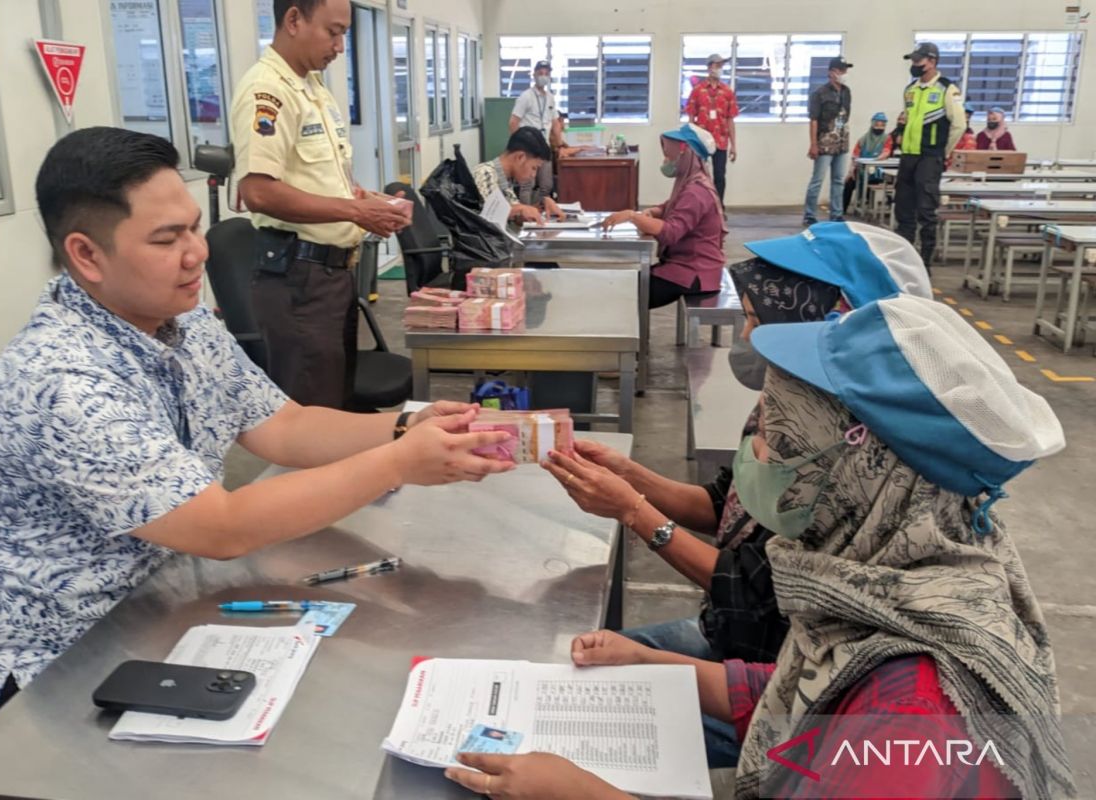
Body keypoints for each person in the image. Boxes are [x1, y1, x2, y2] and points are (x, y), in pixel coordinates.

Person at [0, 126, 515, 734]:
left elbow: (285, 428)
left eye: (192, 227)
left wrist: (403, 427)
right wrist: (399, 464)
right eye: (167, 238)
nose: (198, 253)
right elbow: (221, 527)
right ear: (86, 255)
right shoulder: (61, 382)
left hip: (156, 609)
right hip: (49, 673)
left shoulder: (181, 321)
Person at [448, 294, 1074, 799]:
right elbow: (801, 690)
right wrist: (647, 664)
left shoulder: (914, 702)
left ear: (856, 469)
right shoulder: (880, 578)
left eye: (778, 438)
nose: (756, 453)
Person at [540, 221, 931, 768]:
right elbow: (726, 501)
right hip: (733, 640)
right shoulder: (787, 402)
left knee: (584, 725)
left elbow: (754, 592)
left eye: (756, 320)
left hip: (782, 680)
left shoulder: (855, 458)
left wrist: (634, 511)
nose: (747, 336)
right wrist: (633, 476)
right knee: (576, 675)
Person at [230, 0, 410, 409]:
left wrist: (373, 203)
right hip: (298, 279)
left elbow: (330, 182)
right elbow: (259, 191)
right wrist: (355, 212)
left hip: (332, 277)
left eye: (344, 33)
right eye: (333, 31)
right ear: (293, 20)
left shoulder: (313, 89)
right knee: (316, 409)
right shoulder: (268, 91)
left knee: (337, 403)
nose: (340, 45)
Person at [600, 124, 725, 309]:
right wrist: (654, 212)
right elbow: (670, 206)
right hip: (688, 266)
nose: (666, 160)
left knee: (626, 293)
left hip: (693, 272)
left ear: (685, 153)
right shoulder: (693, 182)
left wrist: (633, 216)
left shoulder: (696, 191)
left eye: (669, 155)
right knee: (628, 285)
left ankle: (635, 338)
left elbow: (671, 232)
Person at [894, 41, 966, 267]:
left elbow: (959, 125)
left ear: (932, 61)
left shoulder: (946, 89)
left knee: (926, 211)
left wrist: (942, 152)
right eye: (913, 61)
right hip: (908, 157)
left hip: (930, 157)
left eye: (919, 61)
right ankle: (904, 261)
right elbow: (906, 119)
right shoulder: (911, 90)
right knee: (903, 209)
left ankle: (925, 262)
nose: (914, 65)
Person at [471, 128, 563, 225]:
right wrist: (521, 209)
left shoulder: (507, 180)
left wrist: (541, 205)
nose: (533, 175)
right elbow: (490, 217)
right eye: (534, 168)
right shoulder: (485, 172)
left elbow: (514, 217)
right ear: (520, 157)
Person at [802, 57, 854, 226]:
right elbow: (814, 120)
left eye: (845, 70)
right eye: (841, 70)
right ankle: (810, 214)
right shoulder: (820, 94)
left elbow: (846, 116)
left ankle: (836, 213)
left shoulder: (846, 92)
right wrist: (813, 144)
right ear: (831, 72)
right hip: (825, 141)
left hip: (841, 141)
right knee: (818, 179)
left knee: (838, 180)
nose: (844, 74)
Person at [685, 53, 738, 204]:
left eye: (722, 66)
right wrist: (690, 141)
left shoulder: (727, 91)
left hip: (720, 140)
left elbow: (730, 119)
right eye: (717, 65)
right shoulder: (698, 90)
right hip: (701, 141)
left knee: (720, 175)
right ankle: (699, 207)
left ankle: (718, 208)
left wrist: (734, 146)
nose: (720, 69)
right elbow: (691, 118)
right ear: (709, 67)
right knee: (699, 176)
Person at [509, 60, 562, 205]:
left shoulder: (550, 97)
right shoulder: (526, 96)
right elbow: (513, 122)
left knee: (546, 186)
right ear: (534, 75)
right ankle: (525, 217)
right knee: (527, 184)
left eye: (546, 73)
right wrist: (519, 146)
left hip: (544, 147)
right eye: (540, 73)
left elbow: (556, 122)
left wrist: (559, 145)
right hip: (528, 148)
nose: (543, 76)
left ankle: (537, 210)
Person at [843, 112, 891, 214]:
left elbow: (886, 152)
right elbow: (855, 156)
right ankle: (842, 210)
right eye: (877, 125)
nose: (879, 128)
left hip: (878, 170)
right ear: (872, 124)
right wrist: (851, 170)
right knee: (849, 182)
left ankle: (870, 209)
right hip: (861, 169)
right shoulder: (863, 139)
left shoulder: (887, 138)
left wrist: (876, 160)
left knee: (875, 181)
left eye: (882, 125)